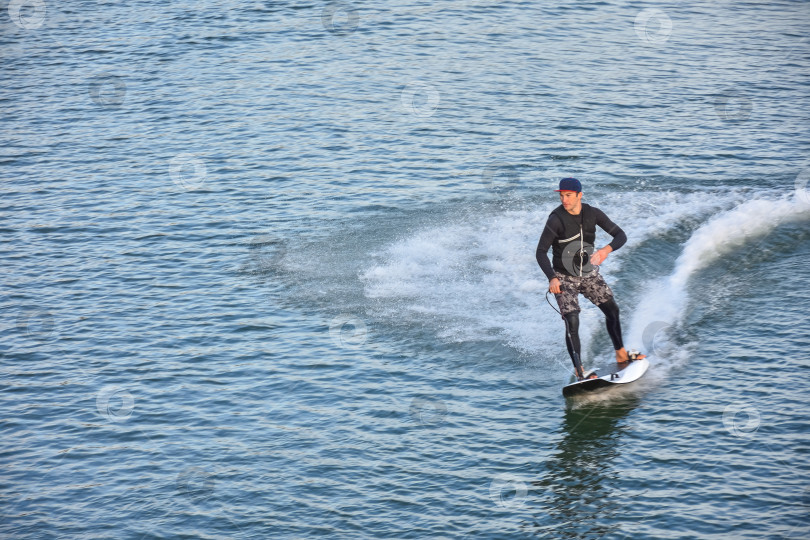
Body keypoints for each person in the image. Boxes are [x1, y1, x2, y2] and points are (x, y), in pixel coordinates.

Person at [536, 177, 645, 381]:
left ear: (579, 195)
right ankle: (580, 371)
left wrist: (606, 250)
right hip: (563, 277)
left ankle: (621, 353)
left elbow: (621, 235)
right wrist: (552, 278)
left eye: (568, 195)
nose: (564, 199)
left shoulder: (592, 213)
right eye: (561, 195)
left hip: (587, 273)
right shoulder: (556, 220)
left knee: (612, 309)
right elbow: (541, 252)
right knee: (572, 320)